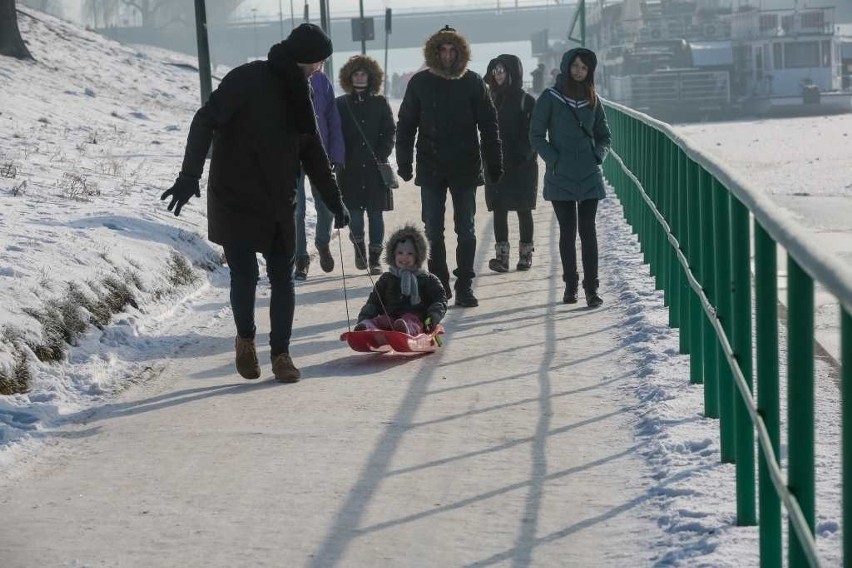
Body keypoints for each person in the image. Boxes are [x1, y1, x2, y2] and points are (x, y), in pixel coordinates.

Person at [160, 23, 350, 383]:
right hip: (236, 196)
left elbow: (312, 152)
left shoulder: (301, 94)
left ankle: (281, 355)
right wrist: (189, 176)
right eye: (320, 62)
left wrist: (334, 200)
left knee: (282, 278)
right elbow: (204, 121)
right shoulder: (246, 79)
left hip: (278, 200)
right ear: (308, 60)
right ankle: (245, 340)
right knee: (245, 275)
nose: (321, 69)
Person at [396, 25, 503, 308]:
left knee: (465, 228)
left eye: (451, 50)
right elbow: (406, 124)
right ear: (434, 52)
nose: (446, 55)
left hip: (465, 166)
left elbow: (489, 124)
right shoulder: (420, 83)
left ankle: (465, 283)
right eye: (441, 50)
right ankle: (440, 283)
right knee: (432, 229)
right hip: (430, 165)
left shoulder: (473, 82)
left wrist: (495, 161)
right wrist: (404, 160)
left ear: (460, 52)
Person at [530, 47, 611, 308]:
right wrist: (554, 159)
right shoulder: (550, 97)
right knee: (567, 231)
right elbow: (536, 135)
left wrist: (597, 156)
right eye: (575, 65)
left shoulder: (593, 99)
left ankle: (592, 289)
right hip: (560, 175)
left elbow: (604, 136)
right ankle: (570, 286)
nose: (579, 70)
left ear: (589, 71)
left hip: (589, 174)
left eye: (584, 67)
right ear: (566, 66)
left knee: (588, 231)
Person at [336, 55, 396, 275]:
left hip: (374, 168)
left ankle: (375, 258)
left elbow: (390, 131)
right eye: (356, 73)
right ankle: (359, 246)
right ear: (349, 77)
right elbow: (335, 133)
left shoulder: (380, 102)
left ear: (371, 77)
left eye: (363, 73)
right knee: (355, 214)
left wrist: (381, 153)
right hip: (350, 168)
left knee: (375, 214)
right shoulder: (341, 104)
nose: (360, 77)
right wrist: (339, 156)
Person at [483, 54, 538, 273]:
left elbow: (534, 133)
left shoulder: (527, 100)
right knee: (499, 209)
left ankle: (525, 256)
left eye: (503, 70)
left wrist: (524, 155)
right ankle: (502, 258)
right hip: (496, 164)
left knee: (524, 210)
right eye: (495, 70)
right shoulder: (488, 99)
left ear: (512, 73)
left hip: (522, 165)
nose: (498, 74)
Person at [294, 69, 346, 280]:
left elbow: (333, 120)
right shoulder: (286, 78)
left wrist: (336, 154)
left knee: (326, 206)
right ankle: (301, 259)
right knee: (296, 211)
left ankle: (322, 242)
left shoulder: (322, 81)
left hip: (319, 153)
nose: (318, 64)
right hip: (292, 155)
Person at [354, 224, 447, 336]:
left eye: (410, 253)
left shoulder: (427, 279)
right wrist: (364, 317)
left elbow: (439, 300)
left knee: (410, 319)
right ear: (393, 254)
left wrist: (432, 317)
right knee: (382, 320)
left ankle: (405, 329)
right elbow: (374, 302)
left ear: (418, 256)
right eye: (400, 253)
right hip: (391, 316)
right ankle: (367, 328)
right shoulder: (387, 278)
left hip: (416, 317)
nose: (404, 257)